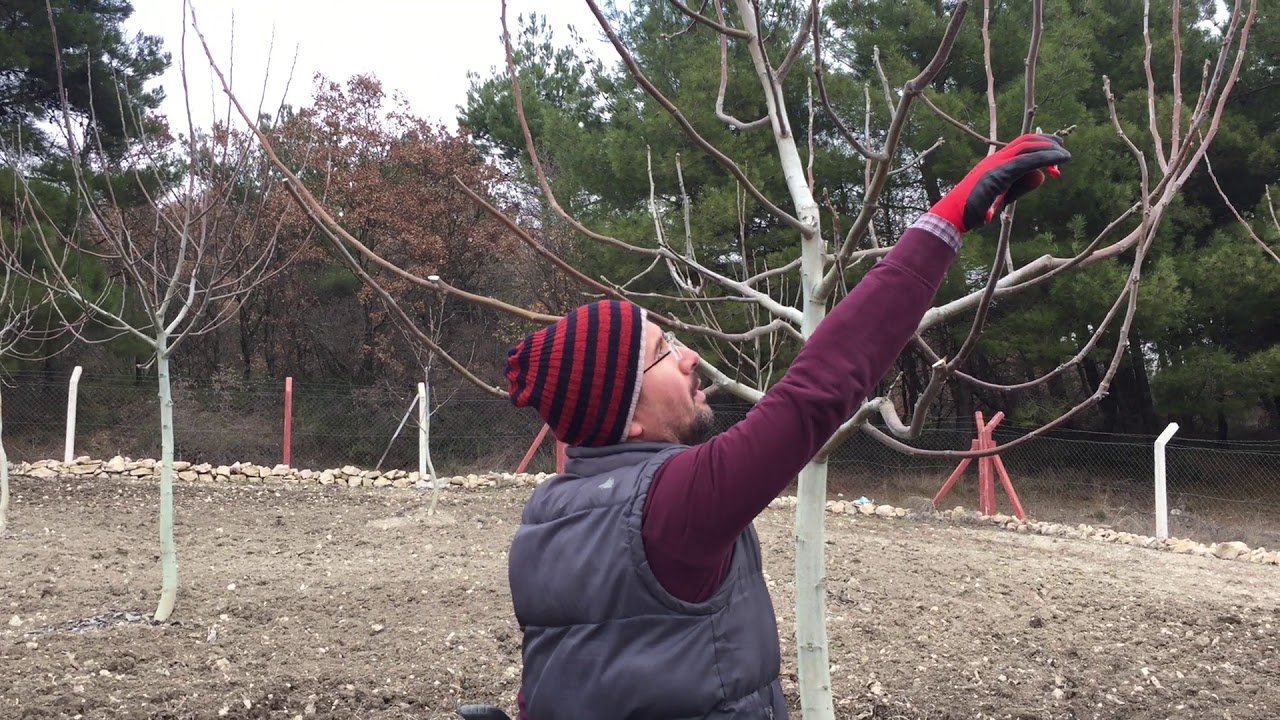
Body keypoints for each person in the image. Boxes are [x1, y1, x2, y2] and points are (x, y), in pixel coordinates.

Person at [500, 134, 1071, 719]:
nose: (690, 357)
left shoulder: (541, 523)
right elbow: (818, 388)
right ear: (625, 414)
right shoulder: (673, 505)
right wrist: (949, 217)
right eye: (662, 351)